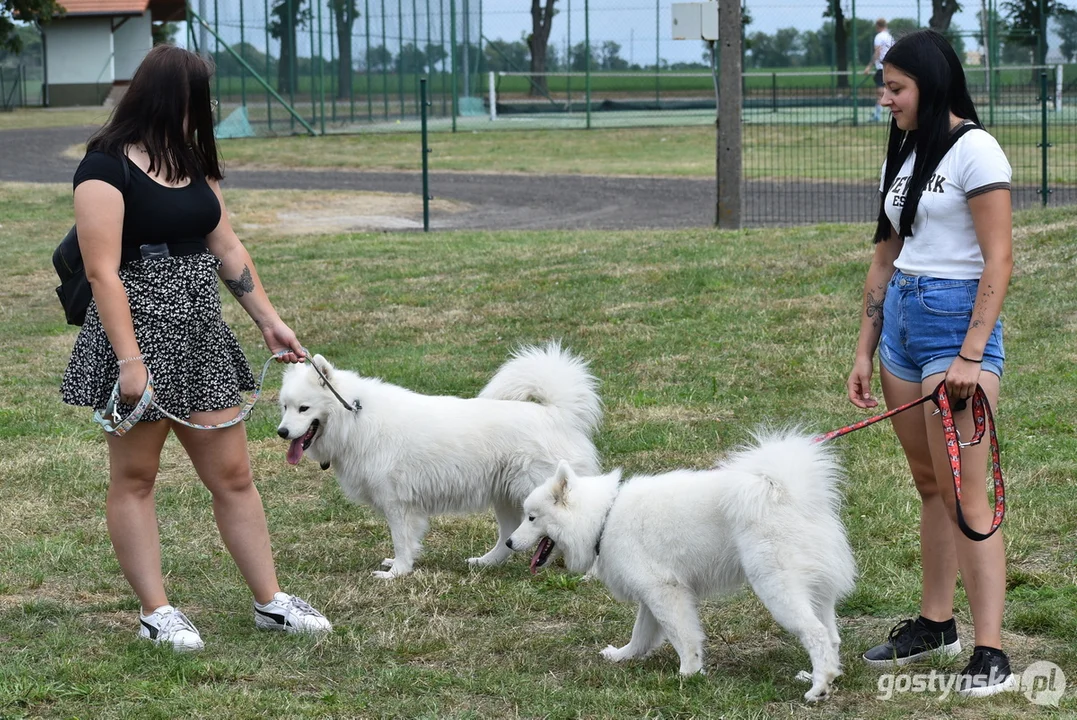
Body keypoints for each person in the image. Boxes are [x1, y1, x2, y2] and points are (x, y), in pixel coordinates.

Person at [61, 45, 331, 651]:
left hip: (201, 334)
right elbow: (103, 273)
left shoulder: (191, 161)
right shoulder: (103, 168)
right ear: (167, 98)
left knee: (234, 475)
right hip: (136, 337)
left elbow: (227, 246)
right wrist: (131, 362)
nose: (203, 111)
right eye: (197, 99)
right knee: (135, 476)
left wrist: (268, 320)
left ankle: (271, 602)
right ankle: (156, 612)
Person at [847, 29, 1015, 697]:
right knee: (928, 485)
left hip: (954, 326)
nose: (884, 99)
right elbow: (884, 256)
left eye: (895, 88)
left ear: (929, 86)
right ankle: (935, 624)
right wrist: (863, 347)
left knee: (964, 492)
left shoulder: (975, 149)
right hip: (902, 327)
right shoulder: (905, 148)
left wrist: (971, 355)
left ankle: (991, 651)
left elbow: (997, 258)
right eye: (882, 88)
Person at [863, 18, 895, 122]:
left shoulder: (879, 37)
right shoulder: (890, 37)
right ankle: (880, 114)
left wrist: (869, 66)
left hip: (882, 69)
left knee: (881, 93)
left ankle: (877, 115)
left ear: (877, 26)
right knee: (886, 92)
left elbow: (877, 52)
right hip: (891, 68)